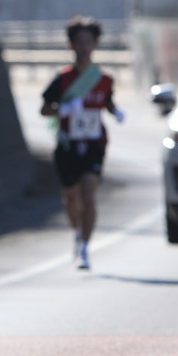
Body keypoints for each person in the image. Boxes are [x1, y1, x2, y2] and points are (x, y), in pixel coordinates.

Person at [40, 15, 123, 271]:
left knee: (89, 193)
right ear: (71, 45)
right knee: (70, 196)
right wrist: (64, 109)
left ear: (95, 45)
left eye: (89, 42)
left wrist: (115, 111)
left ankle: (85, 247)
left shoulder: (104, 79)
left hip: (95, 144)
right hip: (68, 145)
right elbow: (44, 109)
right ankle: (77, 231)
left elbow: (106, 101)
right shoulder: (62, 79)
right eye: (80, 42)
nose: (85, 47)